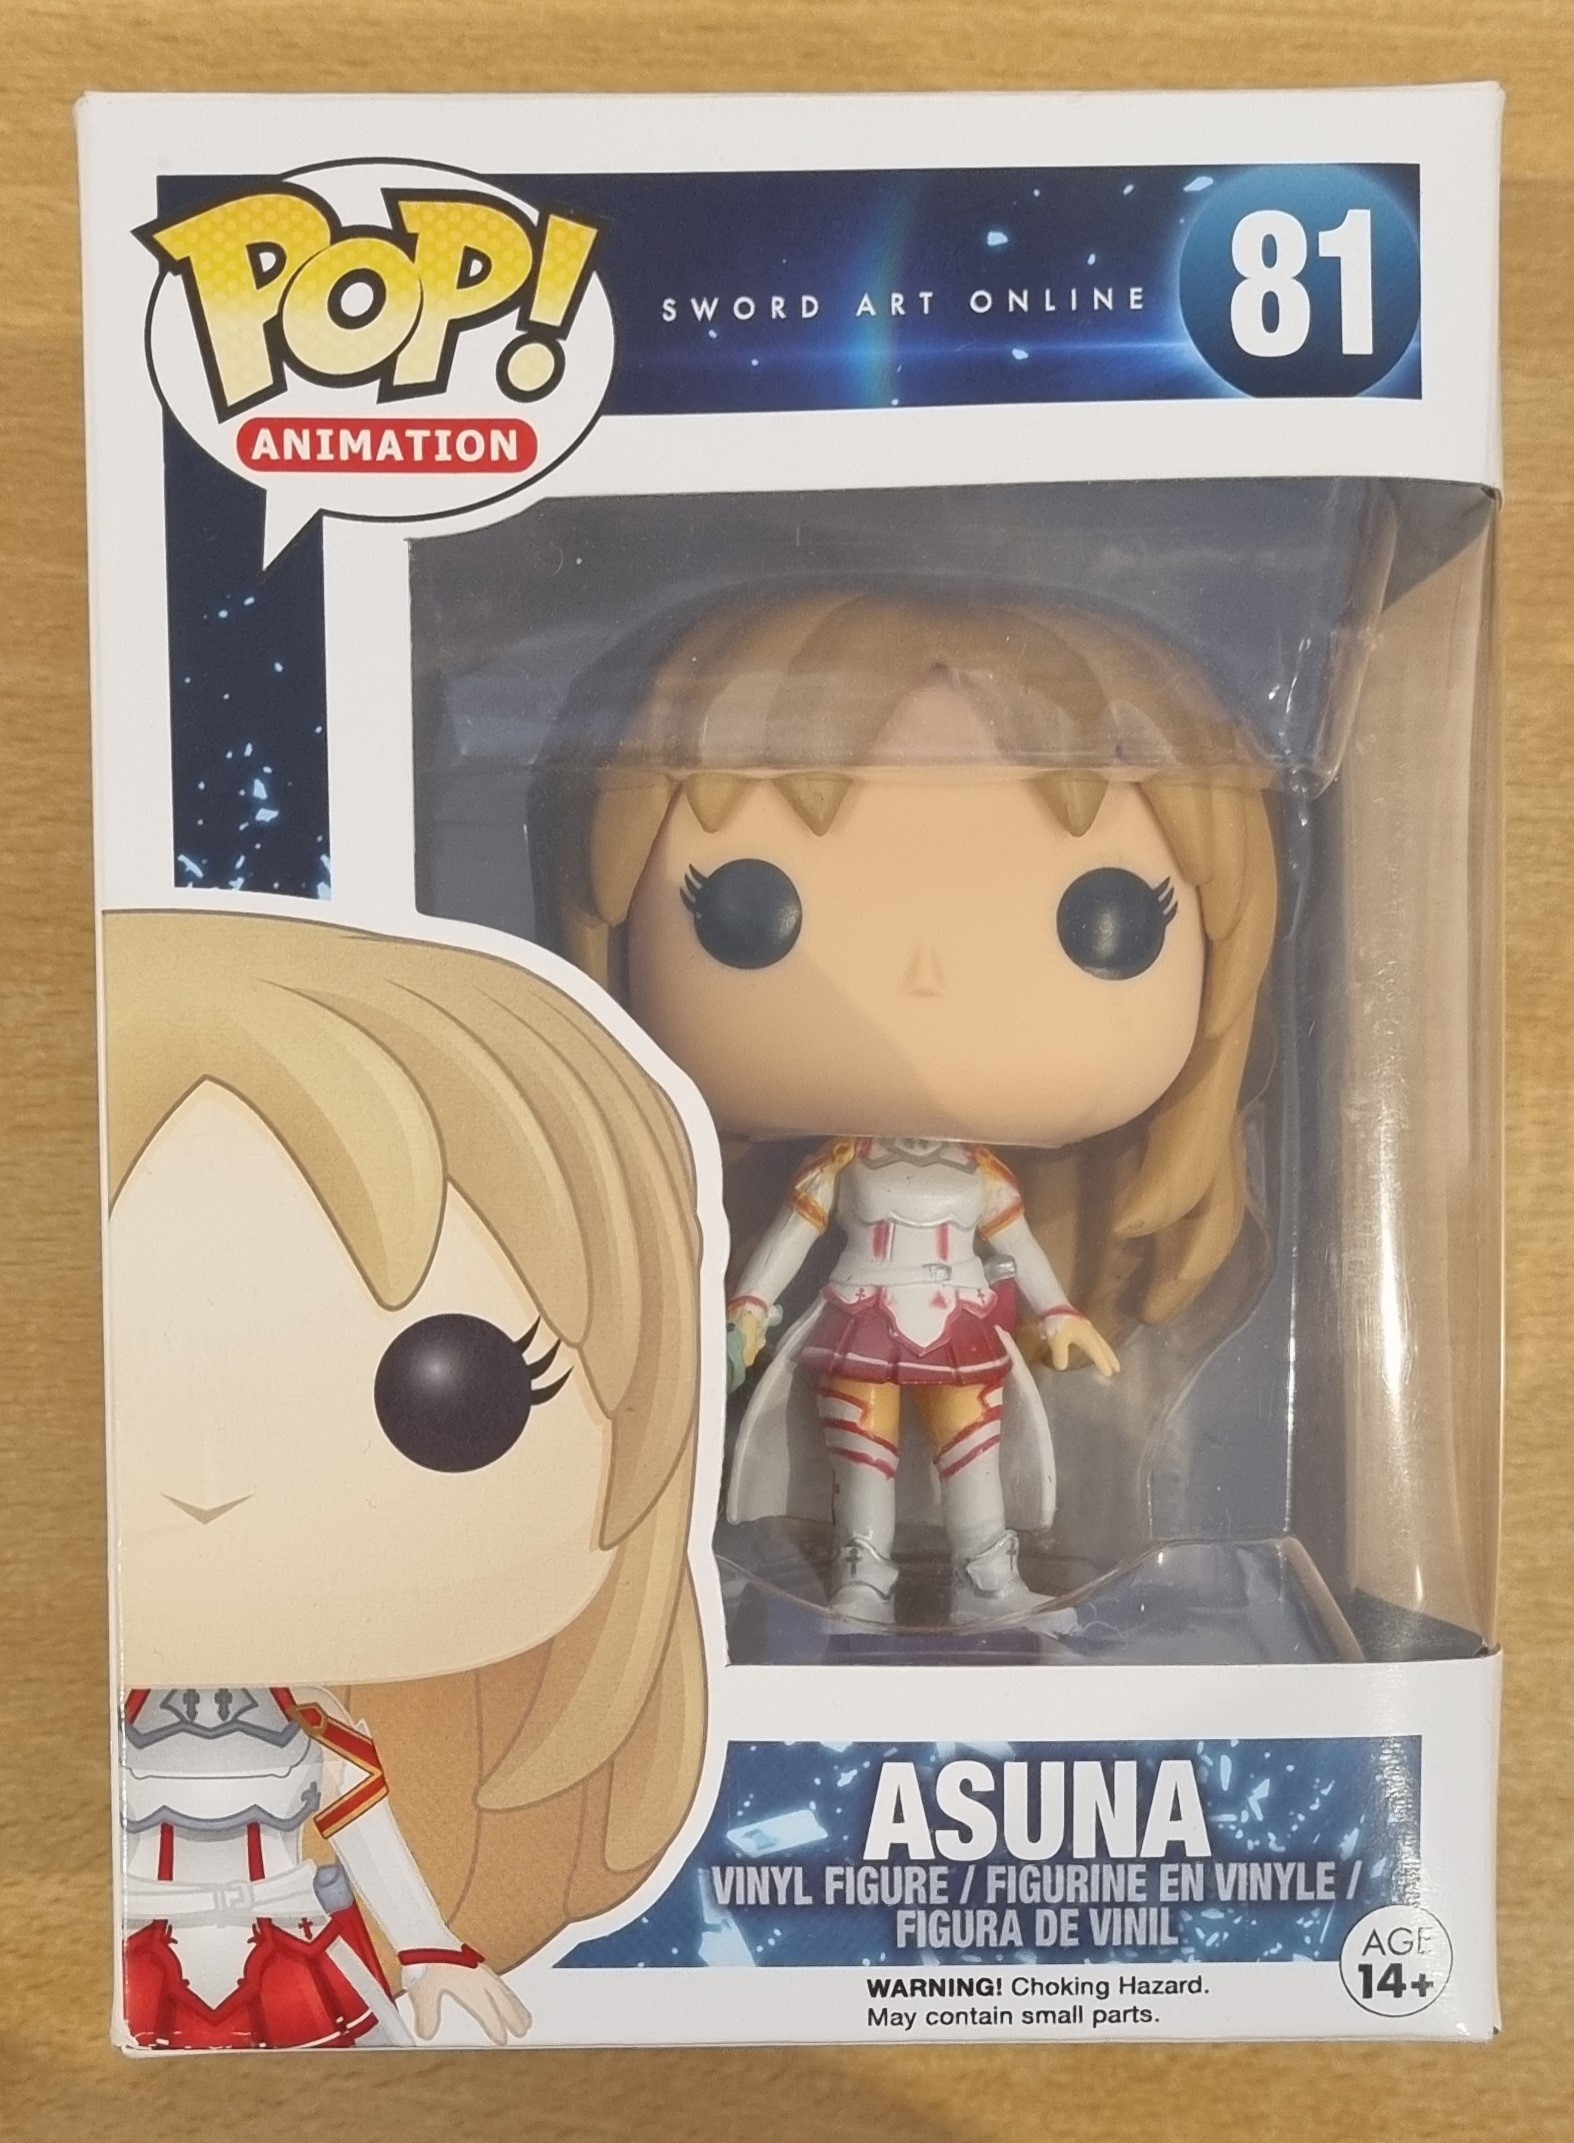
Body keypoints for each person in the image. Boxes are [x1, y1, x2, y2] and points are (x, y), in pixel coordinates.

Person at [548, 591, 1277, 1626]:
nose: (926, 975)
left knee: (972, 1447)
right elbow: (788, 1242)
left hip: (961, 1323)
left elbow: (1017, 1245)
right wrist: (744, 1312)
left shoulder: (984, 1179)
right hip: (860, 1318)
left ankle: (987, 1574)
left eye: (1105, 917)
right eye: (744, 909)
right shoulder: (835, 1169)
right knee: (862, 1454)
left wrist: (1060, 1314)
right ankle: (861, 1573)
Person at [104, 911, 706, 2046]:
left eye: (455, 1391)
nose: (208, 1483)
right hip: (130, 1956)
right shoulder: (104, 1721)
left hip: (280, 1943)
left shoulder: (311, 1723)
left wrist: (427, 1949)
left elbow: (363, 1821)